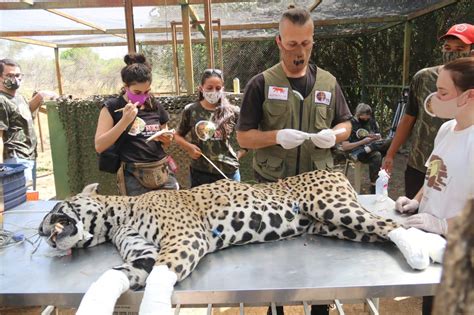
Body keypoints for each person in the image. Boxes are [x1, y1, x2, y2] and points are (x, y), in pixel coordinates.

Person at [236, 6, 352, 315]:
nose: (300, 51)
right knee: (275, 257)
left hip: (319, 187)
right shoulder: (260, 83)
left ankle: (320, 310)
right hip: (274, 187)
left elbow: (346, 123)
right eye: (292, 44)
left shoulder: (328, 82)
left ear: (313, 40)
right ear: (279, 42)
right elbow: (243, 137)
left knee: (321, 257)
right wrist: (275, 136)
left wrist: (336, 135)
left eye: (306, 43)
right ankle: (277, 309)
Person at [395, 57, 474, 315]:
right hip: (434, 245)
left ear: (468, 96)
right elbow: (434, 173)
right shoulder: (447, 129)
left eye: (442, 92)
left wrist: (443, 225)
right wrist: (418, 200)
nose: (434, 99)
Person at [382, 23, 474, 199]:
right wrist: (390, 153)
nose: (452, 53)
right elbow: (408, 119)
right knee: (414, 212)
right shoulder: (424, 78)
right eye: (447, 47)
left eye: (460, 48)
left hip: (458, 169)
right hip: (419, 164)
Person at [95, 53, 178, 196]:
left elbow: (165, 141)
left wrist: (167, 139)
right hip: (133, 175)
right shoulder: (112, 107)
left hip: (161, 170)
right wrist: (124, 121)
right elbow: (100, 145)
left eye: (147, 92)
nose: (142, 96)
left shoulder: (155, 105)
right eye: (137, 92)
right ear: (125, 86)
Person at [175, 69, 246, 187]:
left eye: (218, 88)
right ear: (201, 88)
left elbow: (247, 138)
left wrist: (239, 154)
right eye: (209, 88)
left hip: (228, 173)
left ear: (223, 89)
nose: (214, 91)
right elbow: (177, 135)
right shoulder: (191, 110)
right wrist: (189, 147)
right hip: (200, 172)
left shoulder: (233, 112)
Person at [0, 58, 57, 190]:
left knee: (30, 197)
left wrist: (41, 96)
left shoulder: (18, 97)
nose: (15, 79)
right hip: (14, 158)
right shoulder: (1, 101)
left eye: (17, 75)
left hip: (28, 155)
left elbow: (24, 112)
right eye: (9, 75)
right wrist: (1, 166)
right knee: (23, 201)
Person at [341, 103, 391, 193]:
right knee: (377, 155)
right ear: (359, 114)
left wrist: (376, 137)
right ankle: (373, 186)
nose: (367, 118)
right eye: (365, 116)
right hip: (355, 151)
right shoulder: (349, 124)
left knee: (390, 141)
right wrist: (363, 142)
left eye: (369, 115)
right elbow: (345, 146)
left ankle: (370, 148)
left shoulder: (371, 121)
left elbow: (379, 137)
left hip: (370, 148)